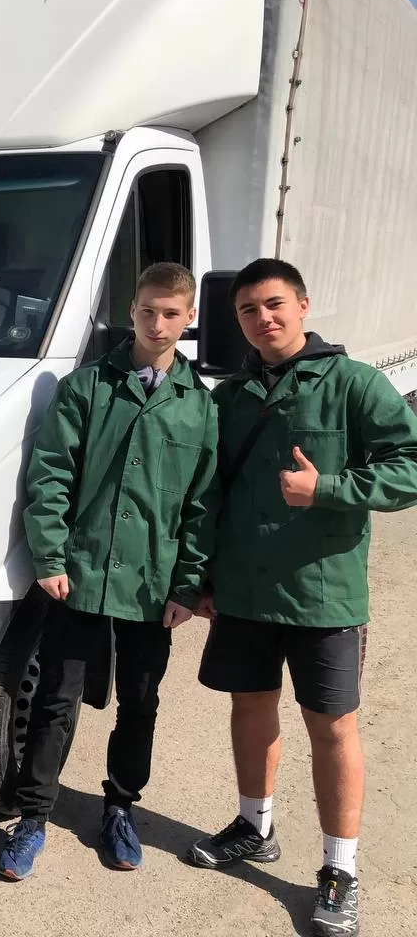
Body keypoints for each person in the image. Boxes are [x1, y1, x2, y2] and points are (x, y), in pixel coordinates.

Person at [186, 258, 417, 937]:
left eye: (274, 304)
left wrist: (329, 489)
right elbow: (209, 494)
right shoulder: (230, 398)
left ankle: (340, 871)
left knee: (332, 729)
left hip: (324, 595)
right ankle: (254, 827)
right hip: (243, 592)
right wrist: (202, 578)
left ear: (304, 305)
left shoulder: (353, 384)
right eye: (248, 311)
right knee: (250, 708)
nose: (263, 319)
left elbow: (410, 466)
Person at [0, 261, 219, 880]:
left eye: (170, 313)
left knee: (139, 703)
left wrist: (187, 585)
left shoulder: (199, 407)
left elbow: (202, 505)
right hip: (82, 575)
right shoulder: (88, 387)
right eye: (147, 310)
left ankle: (120, 808)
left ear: (189, 317)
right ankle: (33, 816)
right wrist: (50, 556)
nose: (157, 324)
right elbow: (50, 475)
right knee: (55, 699)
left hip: (153, 585)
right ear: (131, 311)